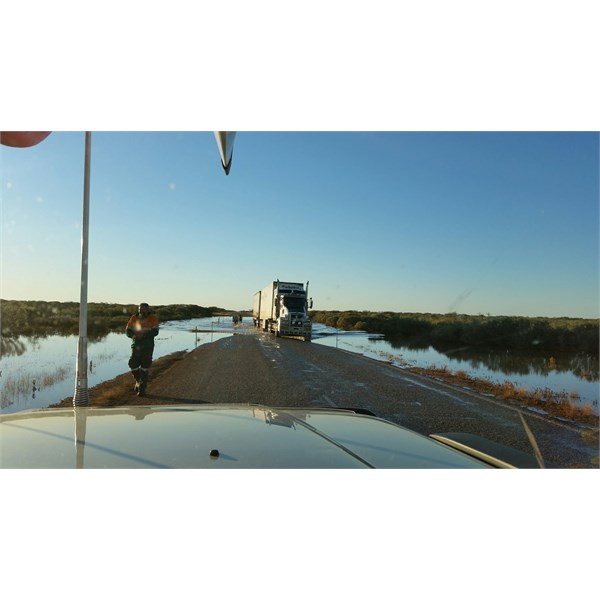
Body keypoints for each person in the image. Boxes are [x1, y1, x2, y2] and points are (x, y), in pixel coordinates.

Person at [126, 303, 159, 396]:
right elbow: (128, 330)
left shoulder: (153, 318)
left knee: (145, 366)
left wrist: (143, 335)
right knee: (133, 364)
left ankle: (142, 388)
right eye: (140, 309)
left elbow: (155, 331)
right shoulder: (134, 318)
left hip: (148, 345)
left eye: (143, 309)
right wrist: (133, 335)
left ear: (148, 310)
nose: (141, 311)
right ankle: (138, 381)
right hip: (136, 345)